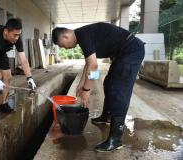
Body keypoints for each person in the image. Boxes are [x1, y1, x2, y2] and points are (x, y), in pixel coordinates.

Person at [52, 22, 145, 152]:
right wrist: (81, 84)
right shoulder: (82, 35)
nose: (65, 48)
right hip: (122, 54)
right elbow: (89, 64)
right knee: (109, 83)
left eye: (62, 45)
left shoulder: (83, 35)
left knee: (119, 91)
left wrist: (86, 90)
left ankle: (116, 139)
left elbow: (94, 66)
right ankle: (106, 116)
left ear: (65, 36)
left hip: (131, 51)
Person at [0, 18, 36, 123]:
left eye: (19, 35)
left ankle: (4, 103)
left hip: (0, 53)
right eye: (15, 35)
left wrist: (30, 78)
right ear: (6, 32)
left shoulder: (17, 38)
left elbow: (23, 60)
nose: (17, 38)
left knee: (8, 76)